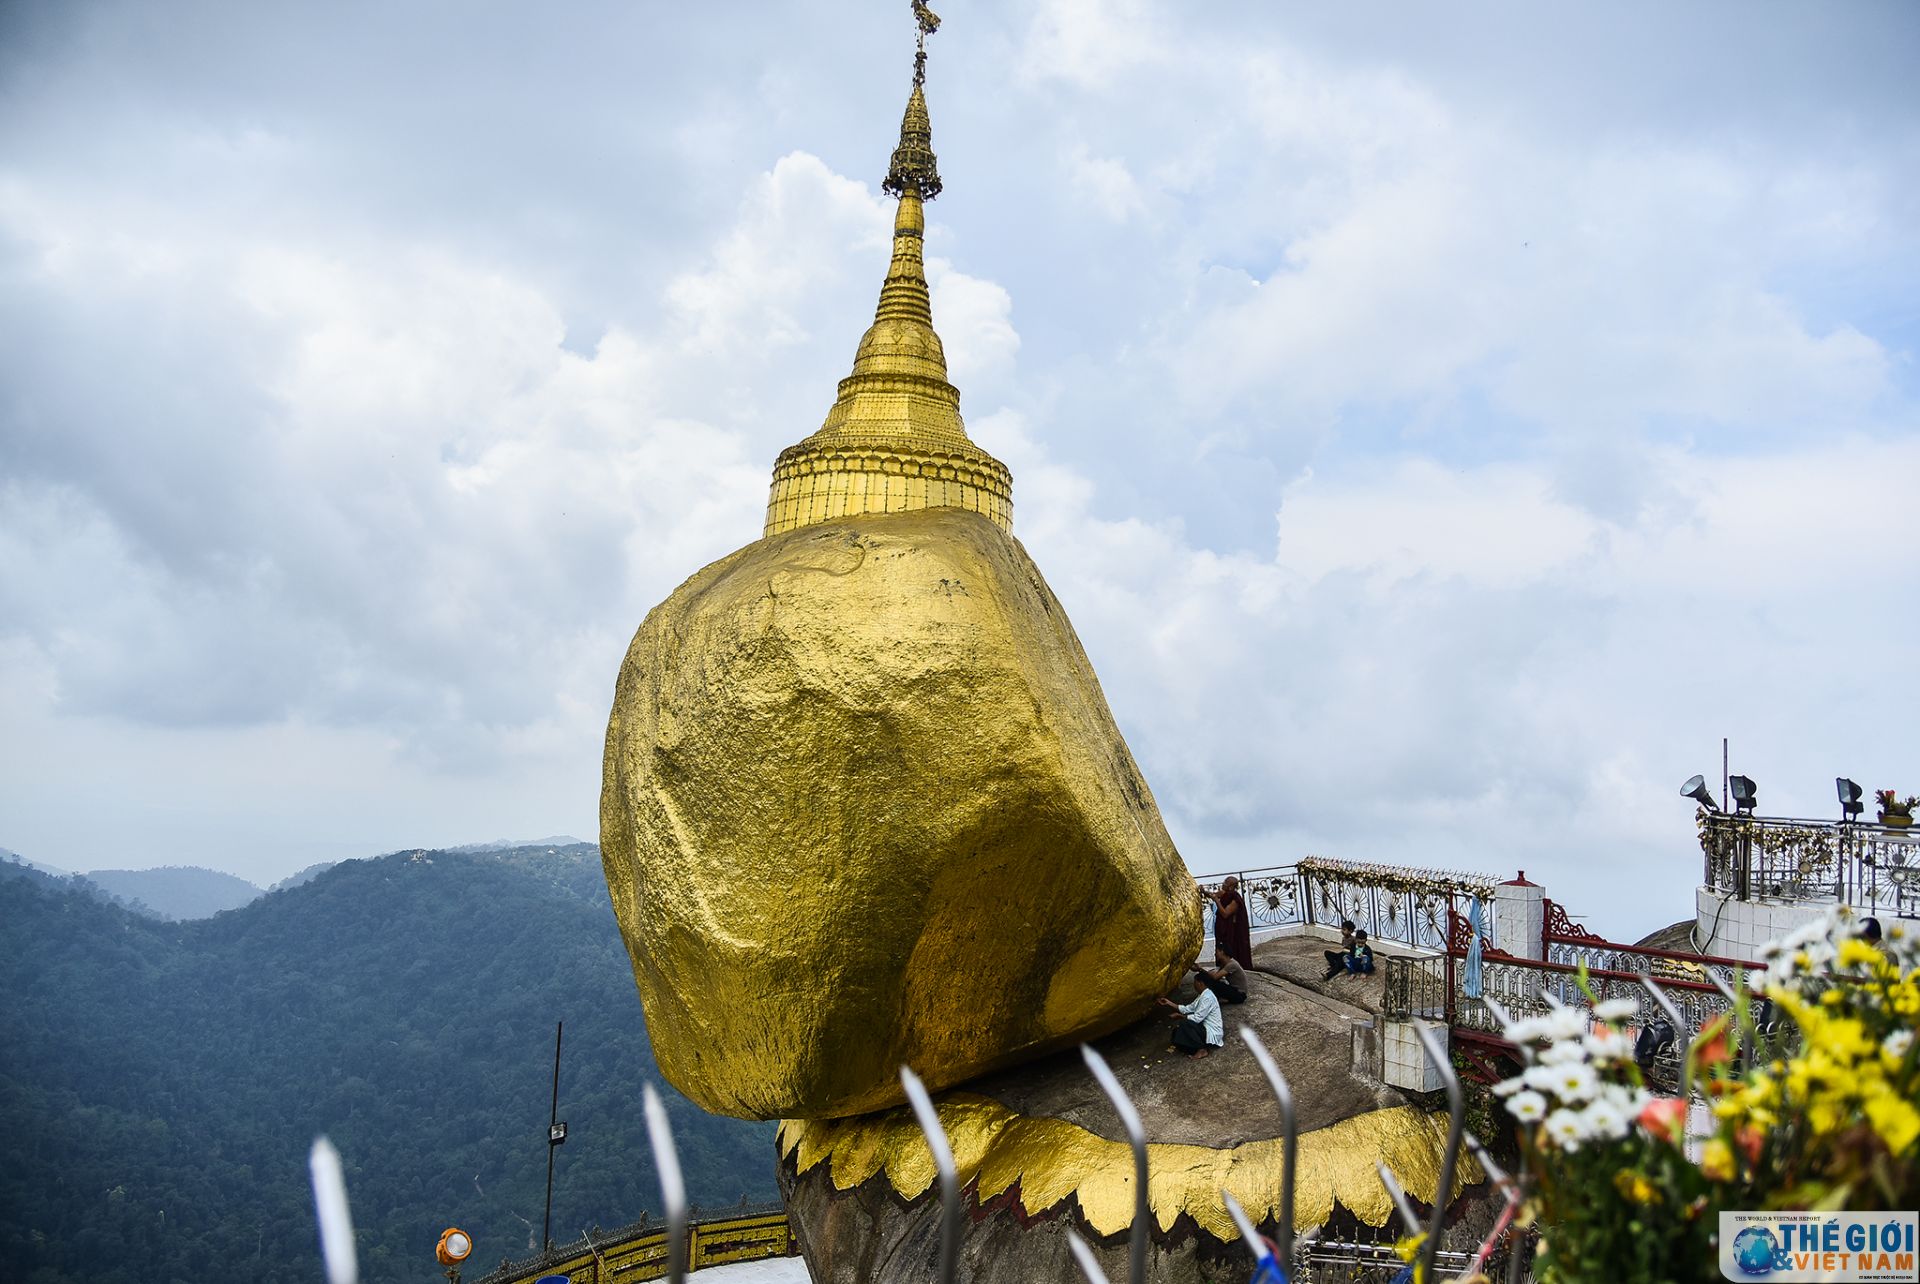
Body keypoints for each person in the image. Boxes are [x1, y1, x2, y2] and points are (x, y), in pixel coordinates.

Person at [1157, 981, 1224, 1058]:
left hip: (1211, 1032)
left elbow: (1197, 1018)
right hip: (1204, 1029)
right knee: (1176, 1034)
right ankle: (1196, 1047)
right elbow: (1187, 1008)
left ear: (1200, 983)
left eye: (1195, 983)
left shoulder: (1208, 997)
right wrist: (1168, 1003)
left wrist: (1180, 1016)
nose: (1194, 986)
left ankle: (1202, 1049)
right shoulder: (1202, 995)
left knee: (1185, 1023)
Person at [1211, 875, 1254, 971]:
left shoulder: (1235, 899)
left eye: (1225, 883)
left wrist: (1217, 901)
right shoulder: (1224, 894)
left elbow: (1225, 914)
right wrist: (1203, 891)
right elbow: (1213, 895)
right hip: (1223, 930)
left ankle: (1232, 969)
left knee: (1230, 950)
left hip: (1232, 932)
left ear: (1231, 887)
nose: (1223, 884)